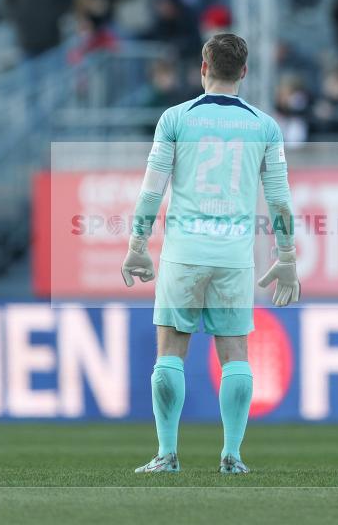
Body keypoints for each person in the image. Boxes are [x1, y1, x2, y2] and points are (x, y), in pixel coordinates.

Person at [121, 33, 300, 474]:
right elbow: (279, 199)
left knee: (170, 351)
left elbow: (151, 192)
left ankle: (167, 454)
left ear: (203, 67)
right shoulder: (265, 126)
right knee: (235, 353)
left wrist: (137, 246)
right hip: (235, 256)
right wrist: (288, 256)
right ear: (243, 71)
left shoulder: (175, 119)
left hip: (184, 251)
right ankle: (233, 455)